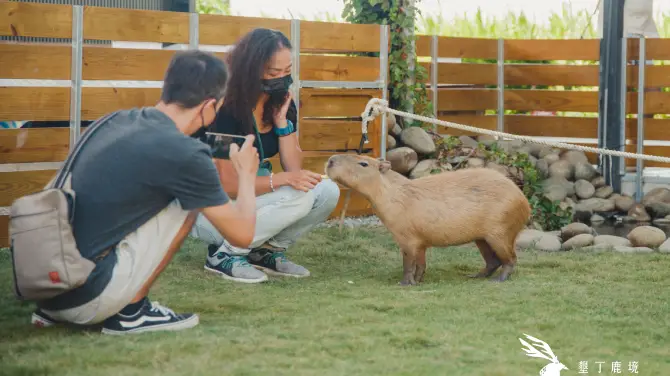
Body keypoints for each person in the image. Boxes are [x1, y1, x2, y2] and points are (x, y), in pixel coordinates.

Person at [30, 50, 260, 335]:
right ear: (210, 105)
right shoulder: (185, 152)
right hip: (87, 299)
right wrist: (247, 175)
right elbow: (243, 235)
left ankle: (59, 310)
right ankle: (131, 313)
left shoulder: (114, 121)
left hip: (45, 286)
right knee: (189, 202)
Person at [189, 28, 341, 283]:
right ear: (251, 68)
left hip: (250, 200)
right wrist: (281, 181)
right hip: (210, 209)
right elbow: (228, 186)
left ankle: (264, 251)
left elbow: (292, 166)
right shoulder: (225, 108)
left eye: (287, 71)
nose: (281, 78)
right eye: (273, 73)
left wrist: (283, 124)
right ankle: (225, 255)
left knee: (326, 191)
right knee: (297, 197)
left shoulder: (280, 101)